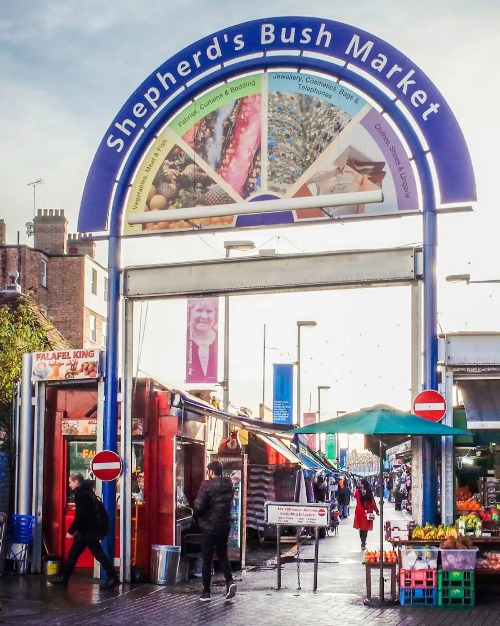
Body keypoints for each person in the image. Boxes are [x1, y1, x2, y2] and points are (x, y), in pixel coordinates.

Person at [50, 473, 120, 588]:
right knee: (90, 554)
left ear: (76, 482)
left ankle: (64, 578)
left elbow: (81, 515)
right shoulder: (88, 492)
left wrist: (71, 531)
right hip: (90, 530)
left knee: (77, 554)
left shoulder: (81, 494)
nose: (69, 485)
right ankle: (112, 576)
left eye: (70, 482)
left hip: (87, 531)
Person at [193, 460, 237, 602]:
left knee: (207, 559)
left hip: (209, 527)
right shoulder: (228, 484)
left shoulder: (206, 485)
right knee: (223, 555)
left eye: (208, 471)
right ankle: (230, 582)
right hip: (224, 526)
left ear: (211, 472)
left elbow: (199, 505)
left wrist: (197, 516)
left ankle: (206, 592)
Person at [186, 297, 219, 383]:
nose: (204, 316)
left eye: (209, 311)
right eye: (199, 310)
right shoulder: (181, 338)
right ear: (190, 312)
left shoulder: (222, 342)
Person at [353, 478, 379, 550]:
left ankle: (362, 541)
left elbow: (356, 497)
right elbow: (373, 503)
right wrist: (376, 511)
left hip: (359, 511)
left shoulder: (357, 492)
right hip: (368, 511)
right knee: (365, 528)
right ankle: (363, 542)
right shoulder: (369, 492)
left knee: (361, 527)